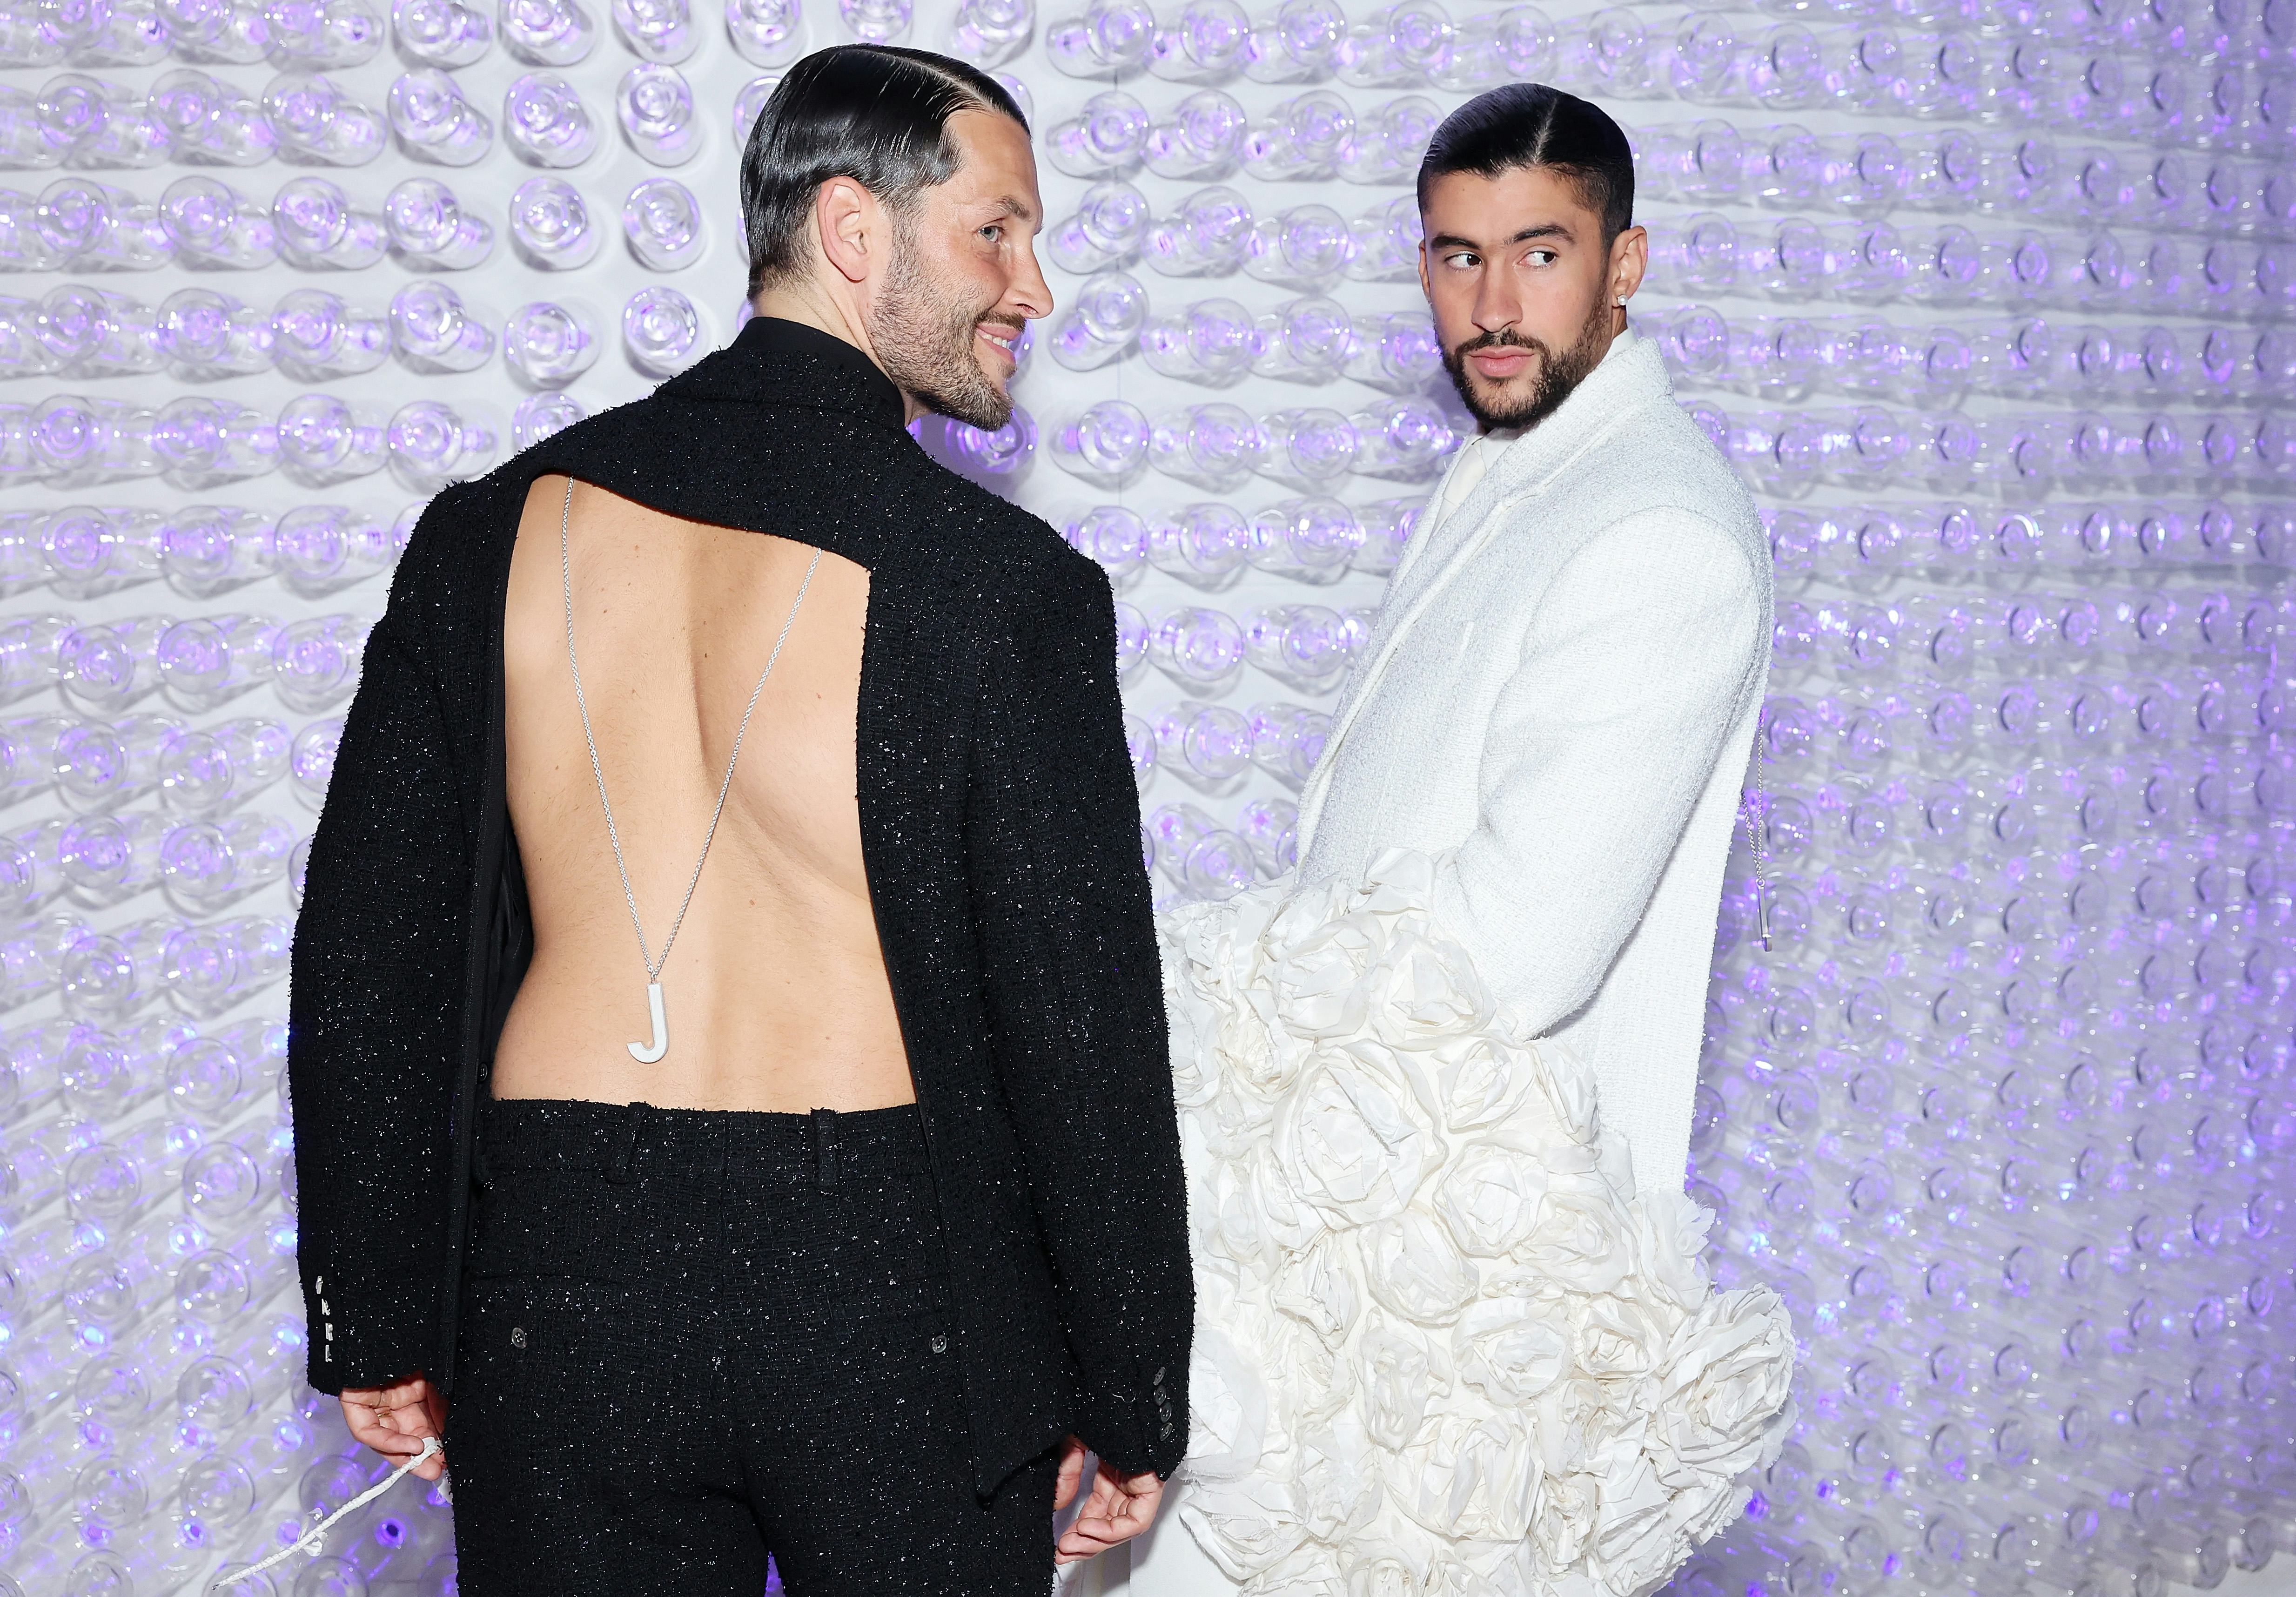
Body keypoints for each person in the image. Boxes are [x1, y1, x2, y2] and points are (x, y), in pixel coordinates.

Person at [288, 46, 1191, 1597]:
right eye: (998, 229)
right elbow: (1080, 1026)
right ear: (853, 230)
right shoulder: (999, 587)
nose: (1033, 287)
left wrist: (371, 1305)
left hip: (557, 1276)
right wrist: (1133, 1387)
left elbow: (372, 951)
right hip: (881, 1292)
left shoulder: (490, 531)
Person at [1126, 84, 1795, 1597]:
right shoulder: (1518, 462)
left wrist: (1207, 984)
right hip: (1337, 1243)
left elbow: (1516, 950)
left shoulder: (1656, 530)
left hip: (1463, 1294)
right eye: (1454, 255)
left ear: (1625, 265)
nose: (1492, 305)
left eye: (1540, 254)